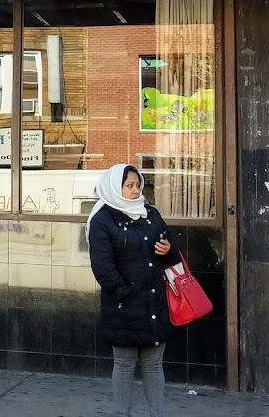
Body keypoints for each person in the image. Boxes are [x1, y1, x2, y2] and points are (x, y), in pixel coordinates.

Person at [87, 163, 181, 417]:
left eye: (137, 185)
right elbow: (103, 267)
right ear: (114, 187)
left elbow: (173, 252)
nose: (135, 190)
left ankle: (156, 413)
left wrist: (169, 250)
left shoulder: (150, 214)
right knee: (124, 365)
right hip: (124, 306)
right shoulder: (103, 220)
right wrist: (125, 295)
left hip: (154, 303)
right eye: (129, 185)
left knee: (154, 365)